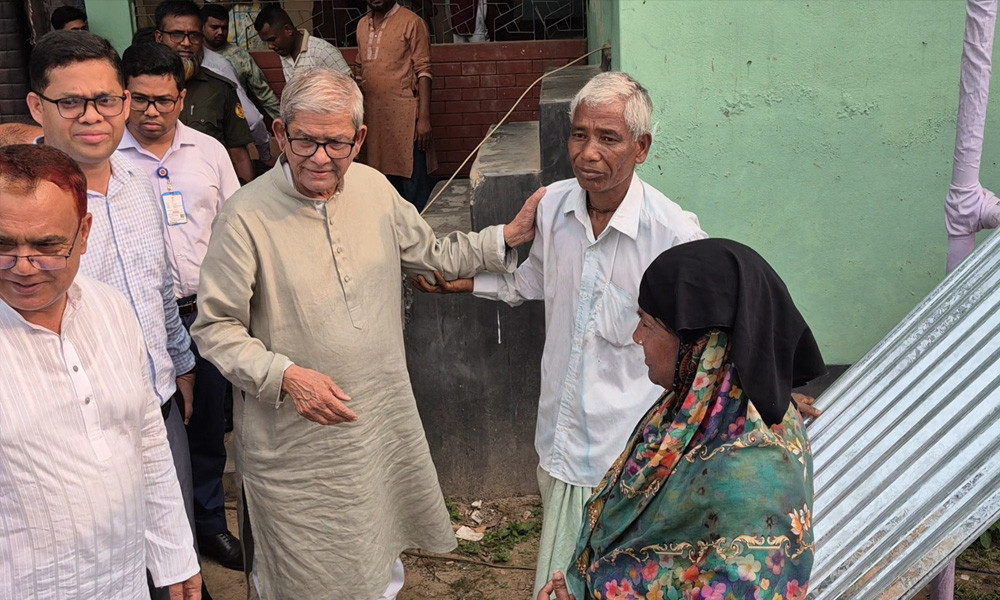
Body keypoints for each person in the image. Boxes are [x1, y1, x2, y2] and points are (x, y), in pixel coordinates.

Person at [190, 66, 543, 599]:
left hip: (376, 421)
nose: (319, 157)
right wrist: (285, 376)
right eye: (304, 140)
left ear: (359, 138)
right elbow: (215, 326)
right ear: (281, 134)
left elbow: (431, 256)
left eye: (335, 143)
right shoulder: (244, 217)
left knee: (377, 555)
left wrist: (505, 238)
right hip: (295, 443)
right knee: (302, 569)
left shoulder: (376, 188)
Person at [413, 71, 707, 597]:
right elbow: (533, 281)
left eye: (608, 138)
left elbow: (711, 332)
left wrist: (766, 387)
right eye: (579, 135)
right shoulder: (553, 207)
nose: (588, 153)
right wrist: (463, 283)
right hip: (560, 435)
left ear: (642, 148)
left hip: (627, 456)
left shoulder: (674, 235)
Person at [538, 238, 827, 600]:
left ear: (701, 346)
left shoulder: (754, 476)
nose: (636, 337)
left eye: (647, 324)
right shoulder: (692, 412)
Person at [25, 29, 201, 600]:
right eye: (69, 102)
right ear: (37, 107)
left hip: (157, 410)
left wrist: (180, 363)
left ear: (124, 101)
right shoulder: (23, 211)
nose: (90, 116)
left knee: (175, 566)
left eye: (104, 99)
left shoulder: (137, 188)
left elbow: (160, 290)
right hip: (69, 433)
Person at [118, 41, 244, 573]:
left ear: (181, 97)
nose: (152, 113)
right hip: (138, 323)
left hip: (205, 314)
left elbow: (236, 227)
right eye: (140, 100)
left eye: (163, 101)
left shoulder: (208, 152)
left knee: (208, 429)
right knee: (152, 434)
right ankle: (169, 550)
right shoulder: (107, 159)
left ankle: (211, 525)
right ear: (123, 96)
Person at [154, 0, 256, 182]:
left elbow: (239, 155)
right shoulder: (140, 90)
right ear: (159, 37)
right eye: (176, 34)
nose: (186, 43)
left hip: (209, 191)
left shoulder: (219, 89)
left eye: (194, 35)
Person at [355, 0, 435, 211]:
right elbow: (359, 68)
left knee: (413, 186)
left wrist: (424, 118)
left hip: (407, 119)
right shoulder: (362, 25)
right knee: (382, 186)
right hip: (374, 121)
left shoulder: (411, 22)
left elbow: (424, 71)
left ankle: (422, 238)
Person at [201, 2, 281, 122]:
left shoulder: (239, 55)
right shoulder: (194, 54)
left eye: (224, 27)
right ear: (202, 26)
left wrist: (283, 121)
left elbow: (263, 93)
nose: (220, 32)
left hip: (238, 119)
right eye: (214, 27)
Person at [253, 5, 351, 81]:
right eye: (266, 42)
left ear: (288, 30)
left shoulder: (322, 51)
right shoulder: (284, 53)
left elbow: (351, 89)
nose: (270, 46)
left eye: (272, 39)